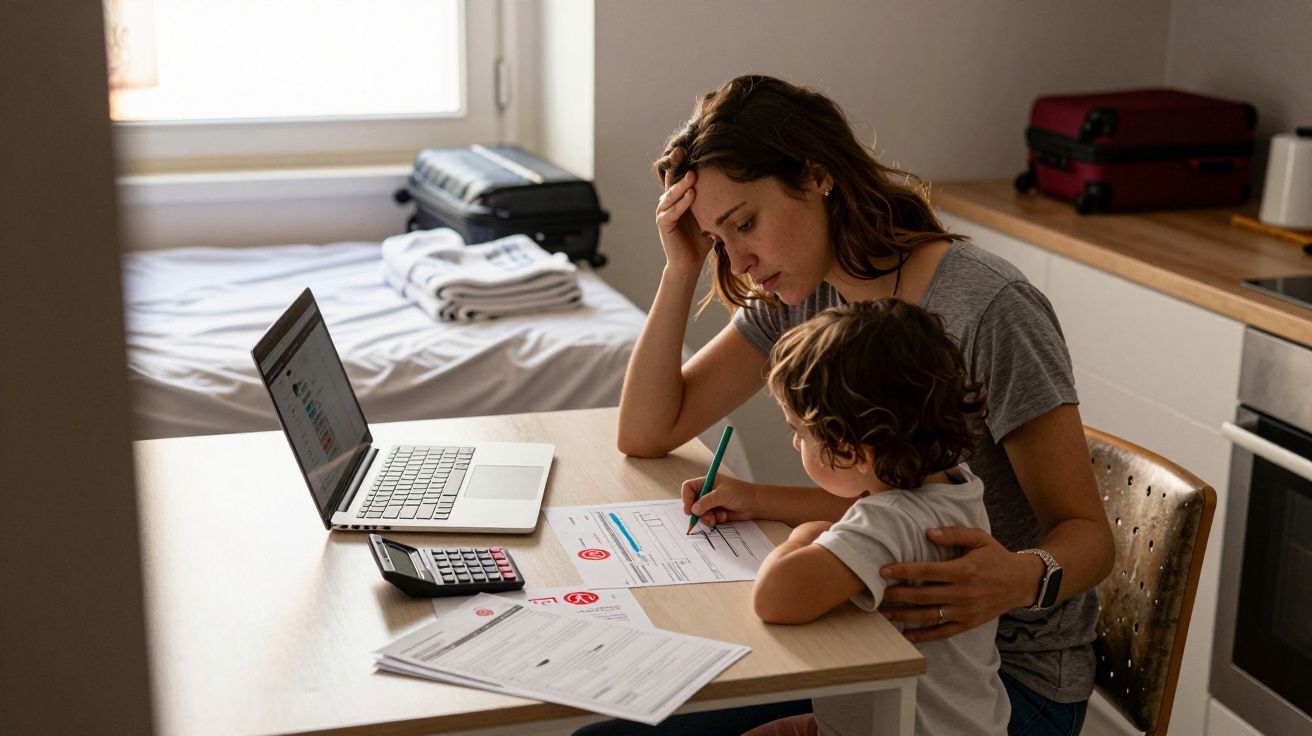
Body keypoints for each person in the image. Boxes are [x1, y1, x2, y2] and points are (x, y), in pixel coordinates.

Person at [616, 74, 1114, 735]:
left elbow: (1089, 536)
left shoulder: (991, 310)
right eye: (717, 241)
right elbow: (647, 432)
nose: (738, 261)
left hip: (1000, 683)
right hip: (875, 639)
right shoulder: (799, 292)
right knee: (627, 721)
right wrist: (679, 268)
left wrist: (1018, 579)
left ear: (817, 177)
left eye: (744, 224)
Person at [740, 298, 1007, 735]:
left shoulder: (890, 520)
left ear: (850, 451)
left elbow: (775, 597)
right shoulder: (958, 485)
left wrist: (806, 536)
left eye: (798, 433)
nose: (794, 445)